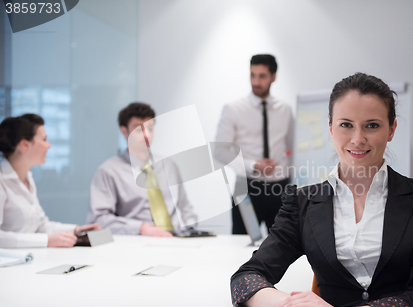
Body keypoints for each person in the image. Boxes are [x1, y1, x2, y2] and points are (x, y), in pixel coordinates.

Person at [230, 73, 413, 307]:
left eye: (372, 125)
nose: (357, 139)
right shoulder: (303, 204)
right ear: (330, 128)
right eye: (346, 125)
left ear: (391, 129)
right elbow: (246, 279)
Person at [86, 102, 197, 237]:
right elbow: (98, 220)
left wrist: (191, 230)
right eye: (139, 129)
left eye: (150, 128)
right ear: (124, 131)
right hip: (136, 243)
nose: (147, 135)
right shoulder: (108, 171)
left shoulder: (168, 166)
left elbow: (185, 207)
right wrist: (141, 228)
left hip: (177, 241)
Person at [215, 54, 294, 234]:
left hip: (280, 189)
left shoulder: (285, 110)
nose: (256, 81)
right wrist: (254, 166)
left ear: (273, 77)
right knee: (242, 244)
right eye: (252, 75)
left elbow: (292, 149)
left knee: (285, 243)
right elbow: (220, 151)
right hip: (248, 188)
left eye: (262, 76)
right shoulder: (234, 109)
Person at [0, 114, 99, 248]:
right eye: (44, 139)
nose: (49, 145)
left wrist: (75, 230)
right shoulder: (2, 181)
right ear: (25, 145)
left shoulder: (28, 178)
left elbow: (41, 225)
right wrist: (46, 241)